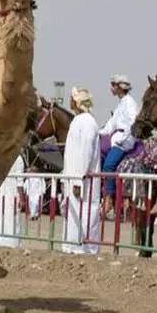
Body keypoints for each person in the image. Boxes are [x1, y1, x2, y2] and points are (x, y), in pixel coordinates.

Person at [61, 87, 101, 255]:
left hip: (83, 182)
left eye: (72, 98)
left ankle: (83, 249)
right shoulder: (79, 121)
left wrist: (78, 180)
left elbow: (85, 153)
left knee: (84, 214)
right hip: (74, 178)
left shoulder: (86, 123)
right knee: (74, 214)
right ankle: (72, 246)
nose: (69, 101)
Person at [99, 74, 139, 215]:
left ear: (120, 87)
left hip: (124, 139)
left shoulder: (130, 102)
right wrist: (97, 133)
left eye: (114, 85)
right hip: (116, 137)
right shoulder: (120, 103)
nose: (111, 87)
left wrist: (124, 138)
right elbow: (110, 126)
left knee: (108, 165)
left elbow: (134, 123)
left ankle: (108, 197)